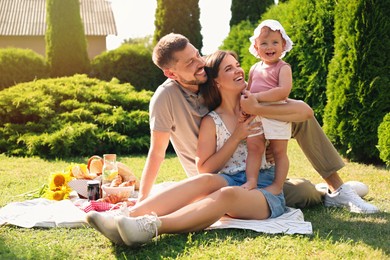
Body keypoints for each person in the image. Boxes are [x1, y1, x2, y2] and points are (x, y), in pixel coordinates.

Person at [139, 33, 378, 213]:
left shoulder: (211, 77)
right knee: (303, 190)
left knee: (298, 120)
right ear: (171, 73)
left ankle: (336, 188)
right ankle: (323, 193)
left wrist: (259, 115)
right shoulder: (165, 98)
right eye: (189, 63)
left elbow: (298, 110)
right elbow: (157, 153)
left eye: (198, 54)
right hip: (216, 175)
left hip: (251, 166)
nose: (199, 62)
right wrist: (142, 199)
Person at [86, 50, 287, 247]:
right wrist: (236, 137)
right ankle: (125, 217)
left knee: (227, 194)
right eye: (229, 68)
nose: (238, 71)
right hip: (230, 178)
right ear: (216, 81)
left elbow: (302, 112)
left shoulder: (258, 104)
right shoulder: (211, 120)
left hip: (263, 186)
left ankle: (151, 226)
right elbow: (205, 170)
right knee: (205, 180)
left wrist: (261, 116)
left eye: (237, 65)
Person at [243, 19, 293, 194]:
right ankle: (251, 181)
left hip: (276, 113)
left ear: (283, 45)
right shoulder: (254, 68)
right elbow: (248, 90)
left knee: (279, 152)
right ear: (256, 48)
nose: (269, 47)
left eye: (274, 42)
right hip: (255, 116)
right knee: (254, 148)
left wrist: (255, 98)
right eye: (263, 43)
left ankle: (277, 186)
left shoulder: (283, 67)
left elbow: (283, 92)